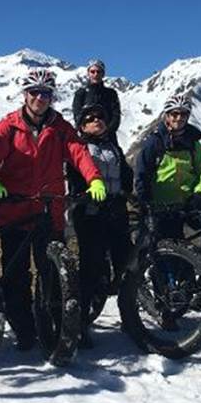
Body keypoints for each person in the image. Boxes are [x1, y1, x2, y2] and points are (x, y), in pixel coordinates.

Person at [0, 68, 105, 354]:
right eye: (34, 92)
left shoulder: (60, 126)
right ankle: (24, 330)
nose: (40, 98)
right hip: (15, 210)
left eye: (45, 94)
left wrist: (94, 177)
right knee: (16, 277)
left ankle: (50, 325)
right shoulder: (9, 126)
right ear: (25, 95)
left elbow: (78, 152)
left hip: (50, 209)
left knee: (51, 274)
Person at [67, 103, 133, 346]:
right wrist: (82, 195)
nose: (97, 121)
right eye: (90, 118)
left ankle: (130, 317)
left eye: (100, 117)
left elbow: (126, 174)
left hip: (116, 211)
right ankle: (80, 325)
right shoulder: (79, 147)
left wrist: (128, 191)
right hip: (90, 214)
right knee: (91, 268)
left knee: (126, 266)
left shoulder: (113, 147)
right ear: (82, 125)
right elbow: (74, 176)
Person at [133, 93, 201, 238]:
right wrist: (145, 202)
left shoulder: (193, 144)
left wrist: (199, 193)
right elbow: (141, 173)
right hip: (159, 207)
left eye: (183, 114)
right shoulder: (154, 142)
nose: (179, 118)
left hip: (186, 205)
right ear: (167, 116)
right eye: (174, 114)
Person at [71, 59, 122, 142]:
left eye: (98, 72)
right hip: (86, 138)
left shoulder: (111, 94)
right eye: (92, 71)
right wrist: (86, 131)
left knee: (117, 155)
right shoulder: (80, 93)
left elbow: (116, 116)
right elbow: (77, 116)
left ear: (103, 74)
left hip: (108, 138)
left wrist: (106, 132)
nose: (95, 74)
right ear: (88, 73)